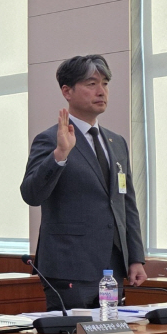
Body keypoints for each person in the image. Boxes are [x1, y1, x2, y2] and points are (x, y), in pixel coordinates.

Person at [20, 55, 146, 310]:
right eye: (91, 84)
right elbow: (31, 194)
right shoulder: (50, 140)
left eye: (106, 83)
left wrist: (135, 258)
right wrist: (60, 156)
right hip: (69, 266)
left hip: (111, 267)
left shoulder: (116, 142)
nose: (101, 91)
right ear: (67, 91)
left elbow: (126, 203)